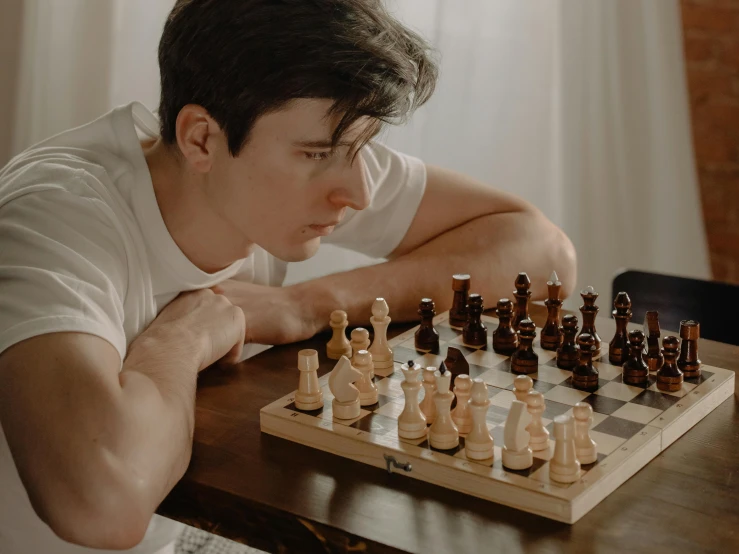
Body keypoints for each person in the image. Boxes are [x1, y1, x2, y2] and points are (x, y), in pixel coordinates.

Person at [0, 1, 576, 553]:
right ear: (201, 138)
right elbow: (102, 506)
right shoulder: (56, 216)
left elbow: (544, 254)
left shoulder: (294, 144)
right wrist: (182, 337)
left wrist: (308, 304)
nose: (358, 192)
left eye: (362, 147)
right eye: (317, 154)